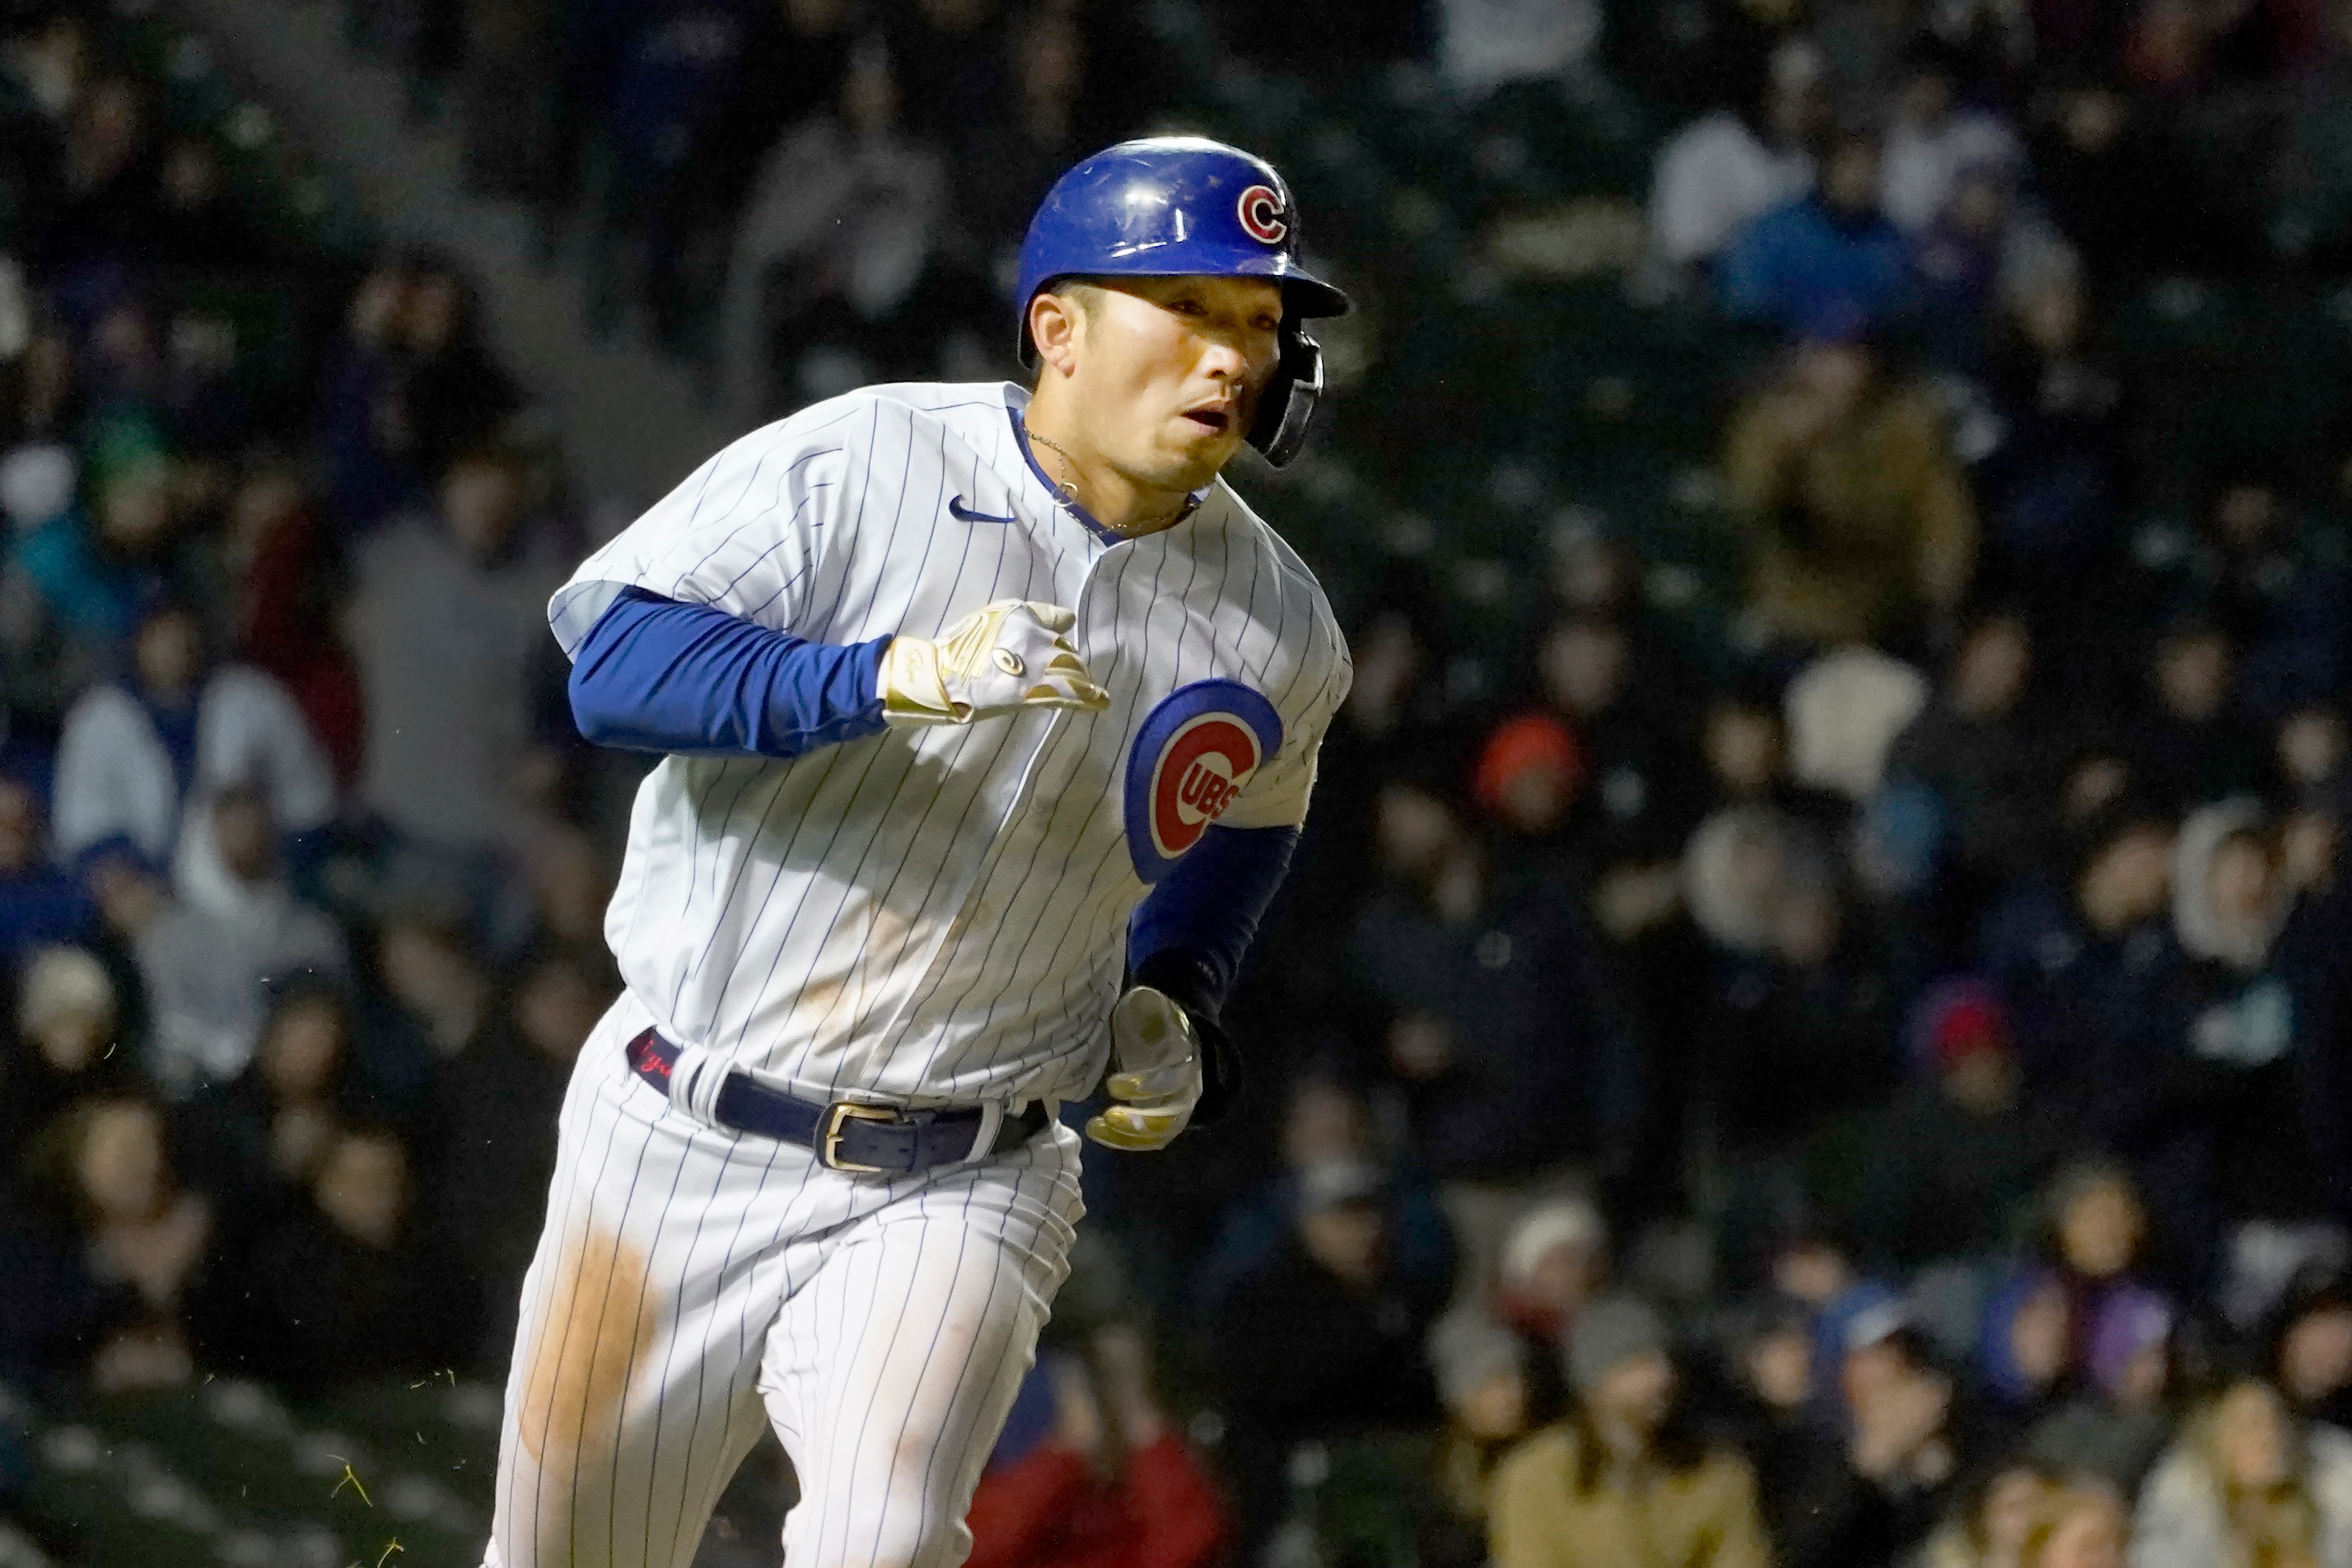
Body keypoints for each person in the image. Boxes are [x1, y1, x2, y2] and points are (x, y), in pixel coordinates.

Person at [478, 137, 1353, 1568]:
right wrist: (885, 678)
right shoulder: (868, 457)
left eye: (1257, 323)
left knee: (883, 1541)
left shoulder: (1281, 624)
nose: (1231, 357)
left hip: (969, 1167)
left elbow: (1251, 815)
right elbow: (617, 669)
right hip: (681, 1129)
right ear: (1057, 328)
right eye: (1187, 307)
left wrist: (1180, 986)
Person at [1488, 1296, 1773, 1568]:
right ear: (1595, 1383)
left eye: (1664, 1361)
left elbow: (1740, 1557)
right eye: (1638, 1365)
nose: (1662, 1378)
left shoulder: (1716, 1471)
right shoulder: (1534, 1476)